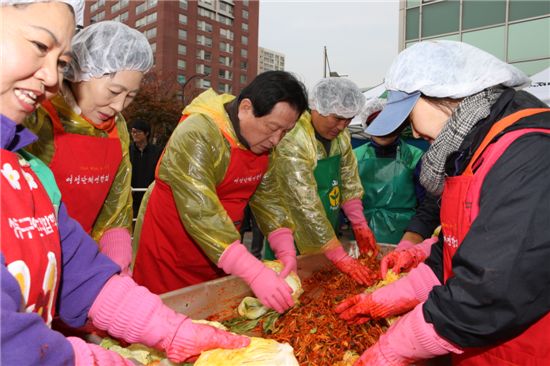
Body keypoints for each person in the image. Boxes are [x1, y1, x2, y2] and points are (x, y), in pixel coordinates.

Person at [0, 1, 249, 364]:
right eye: (39, 46)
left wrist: (170, 329)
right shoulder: (37, 125)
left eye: (60, 62)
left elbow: (77, 257)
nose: (51, 78)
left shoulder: (27, 169)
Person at [335, 40, 550, 365]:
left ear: (444, 97)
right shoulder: (473, 149)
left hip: (525, 352)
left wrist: (393, 348)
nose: (414, 133)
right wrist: (392, 297)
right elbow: (455, 253)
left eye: (409, 115)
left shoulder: (529, 155)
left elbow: (489, 292)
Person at [133, 71, 309, 314]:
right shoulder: (198, 133)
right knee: (163, 322)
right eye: (272, 127)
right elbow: (201, 213)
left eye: (285, 132)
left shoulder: (263, 145)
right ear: (246, 107)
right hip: (170, 249)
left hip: (223, 253)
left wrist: (285, 247)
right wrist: (252, 270)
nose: (276, 140)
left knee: (212, 318)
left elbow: (269, 196)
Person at [23, 21, 153, 275]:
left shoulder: (118, 127)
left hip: (83, 263)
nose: (118, 105)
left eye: (130, 96)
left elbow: (116, 208)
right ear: (81, 72)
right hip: (30, 262)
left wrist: (117, 265)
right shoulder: (36, 116)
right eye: (114, 91)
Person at [256, 78, 380, 286]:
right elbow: (303, 205)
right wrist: (340, 256)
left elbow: (349, 180)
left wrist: (359, 224)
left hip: (327, 236)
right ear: (318, 107)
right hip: (292, 235)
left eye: (348, 119)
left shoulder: (342, 138)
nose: (342, 126)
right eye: (337, 118)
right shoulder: (294, 138)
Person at [353, 97, 426, 245]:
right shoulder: (354, 156)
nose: (384, 131)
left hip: (405, 234)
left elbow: (425, 203)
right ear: (368, 126)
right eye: (377, 125)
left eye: (389, 125)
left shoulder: (415, 156)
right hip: (363, 231)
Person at [129, 118, 161, 218]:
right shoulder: (127, 151)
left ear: (146, 133)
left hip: (151, 196)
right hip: (132, 196)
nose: (134, 134)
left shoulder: (157, 152)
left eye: (138, 132)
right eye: (133, 131)